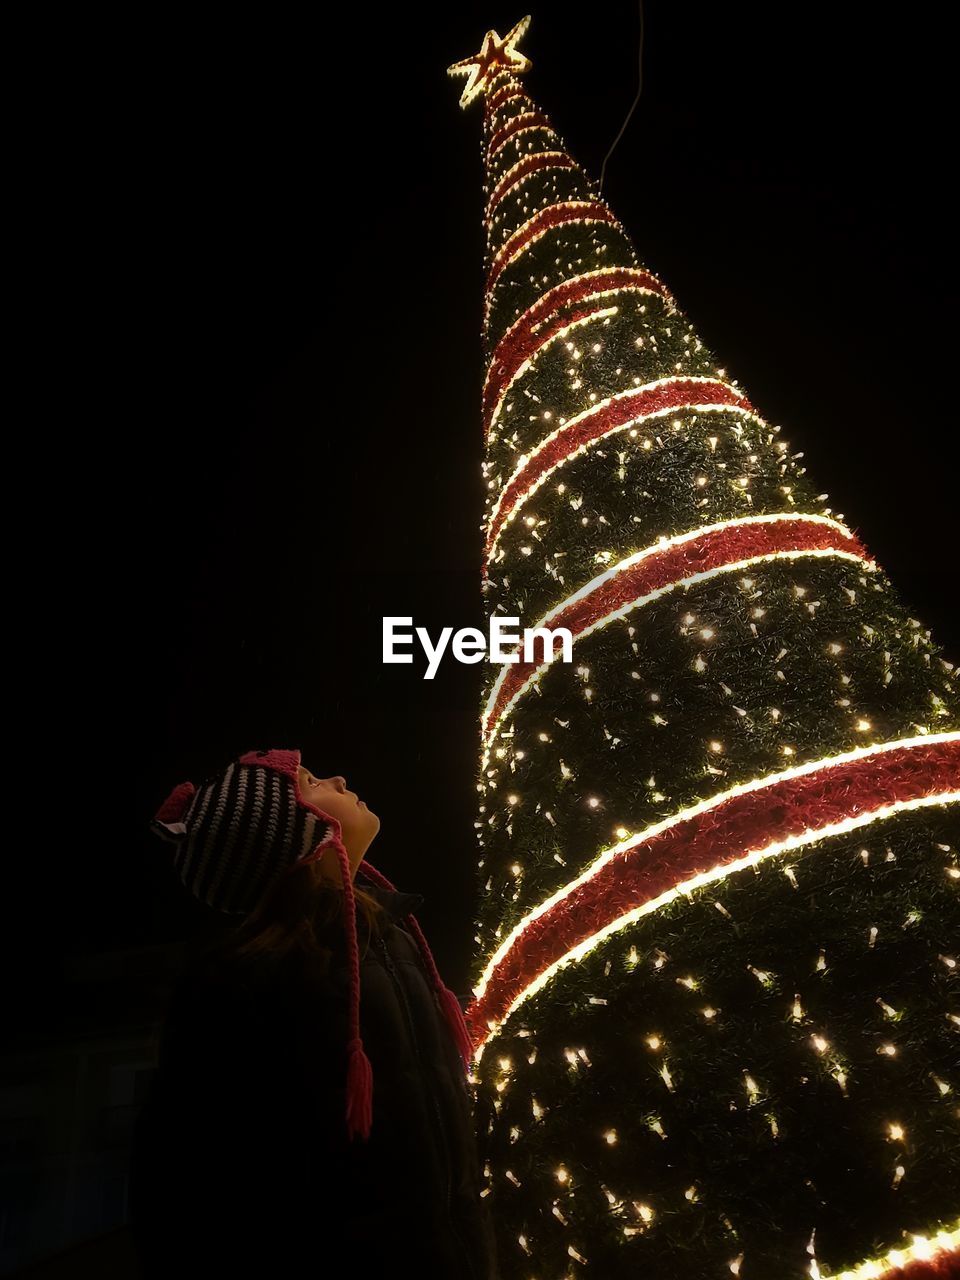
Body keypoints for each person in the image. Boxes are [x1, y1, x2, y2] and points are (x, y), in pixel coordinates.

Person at [128, 747, 500, 1279]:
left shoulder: (387, 939)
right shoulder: (240, 984)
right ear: (288, 835)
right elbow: (185, 1187)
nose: (339, 776)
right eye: (311, 781)